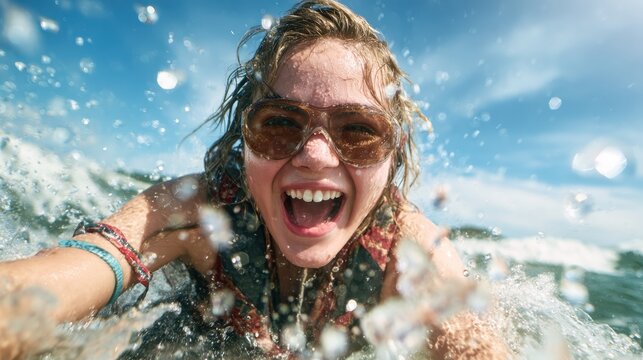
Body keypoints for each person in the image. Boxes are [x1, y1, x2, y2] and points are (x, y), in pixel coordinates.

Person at [0, 1, 508, 358]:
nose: (314, 155)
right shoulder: (199, 214)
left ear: (391, 155)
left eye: (357, 131)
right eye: (280, 123)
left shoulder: (409, 252)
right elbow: (68, 275)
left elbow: (469, 340)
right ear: (245, 139)